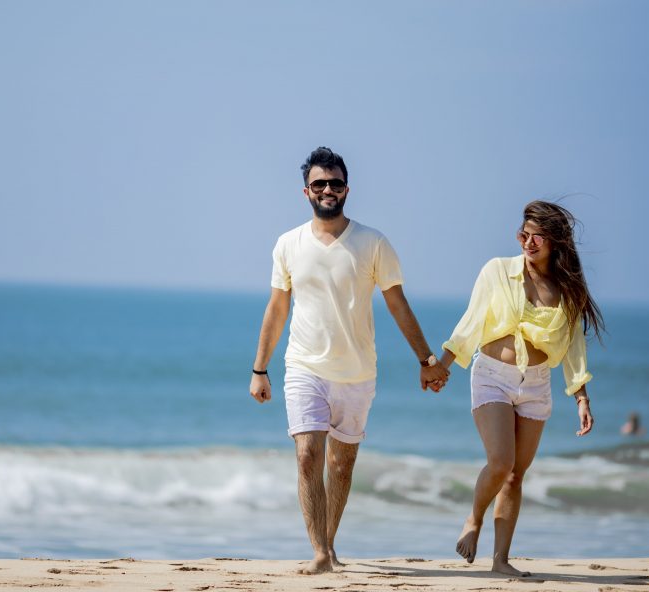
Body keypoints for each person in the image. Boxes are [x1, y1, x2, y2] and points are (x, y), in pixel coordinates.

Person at [249, 146, 450, 574]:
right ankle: (320, 554)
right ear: (306, 191)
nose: (327, 190)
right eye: (319, 183)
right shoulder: (288, 243)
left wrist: (426, 359)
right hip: (304, 367)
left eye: (335, 183)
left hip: (357, 371)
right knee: (307, 457)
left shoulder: (373, 242)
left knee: (341, 465)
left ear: (346, 189)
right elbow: (277, 308)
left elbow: (397, 304)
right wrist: (259, 368)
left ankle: (330, 545)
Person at [432, 200, 604, 577]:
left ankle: (500, 560)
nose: (527, 242)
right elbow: (471, 323)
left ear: (555, 241)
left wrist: (581, 397)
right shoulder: (497, 271)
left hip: (537, 384)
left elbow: (574, 347)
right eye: (523, 235)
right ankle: (473, 519)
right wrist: (441, 367)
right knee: (501, 462)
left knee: (515, 475)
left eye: (536, 236)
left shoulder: (568, 291)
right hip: (492, 374)